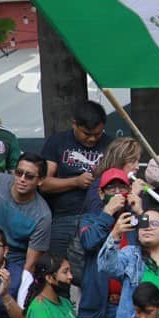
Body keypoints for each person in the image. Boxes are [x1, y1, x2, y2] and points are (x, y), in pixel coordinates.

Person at [77, 168, 144, 318]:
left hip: (128, 307)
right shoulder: (90, 218)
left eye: (122, 188)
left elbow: (156, 240)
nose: (117, 193)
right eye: (111, 188)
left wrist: (139, 210)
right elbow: (88, 242)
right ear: (101, 193)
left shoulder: (136, 219)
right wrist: (108, 213)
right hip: (95, 308)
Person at [41, 100, 112, 257]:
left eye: (97, 134)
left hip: (99, 217)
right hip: (64, 217)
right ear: (74, 124)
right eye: (87, 134)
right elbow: (43, 182)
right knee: (59, 268)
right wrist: (75, 182)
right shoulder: (57, 142)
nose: (92, 139)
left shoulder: (111, 145)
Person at [0, 153, 52, 271]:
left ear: (40, 180)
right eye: (19, 173)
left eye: (29, 176)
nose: (22, 179)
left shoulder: (43, 215)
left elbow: (30, 264)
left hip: (14, 264)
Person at [24, 253, 89, 318]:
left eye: (70, 272)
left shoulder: (65, 303)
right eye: (65, 272)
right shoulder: (39, 308)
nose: (70, 276)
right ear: (49, 278)